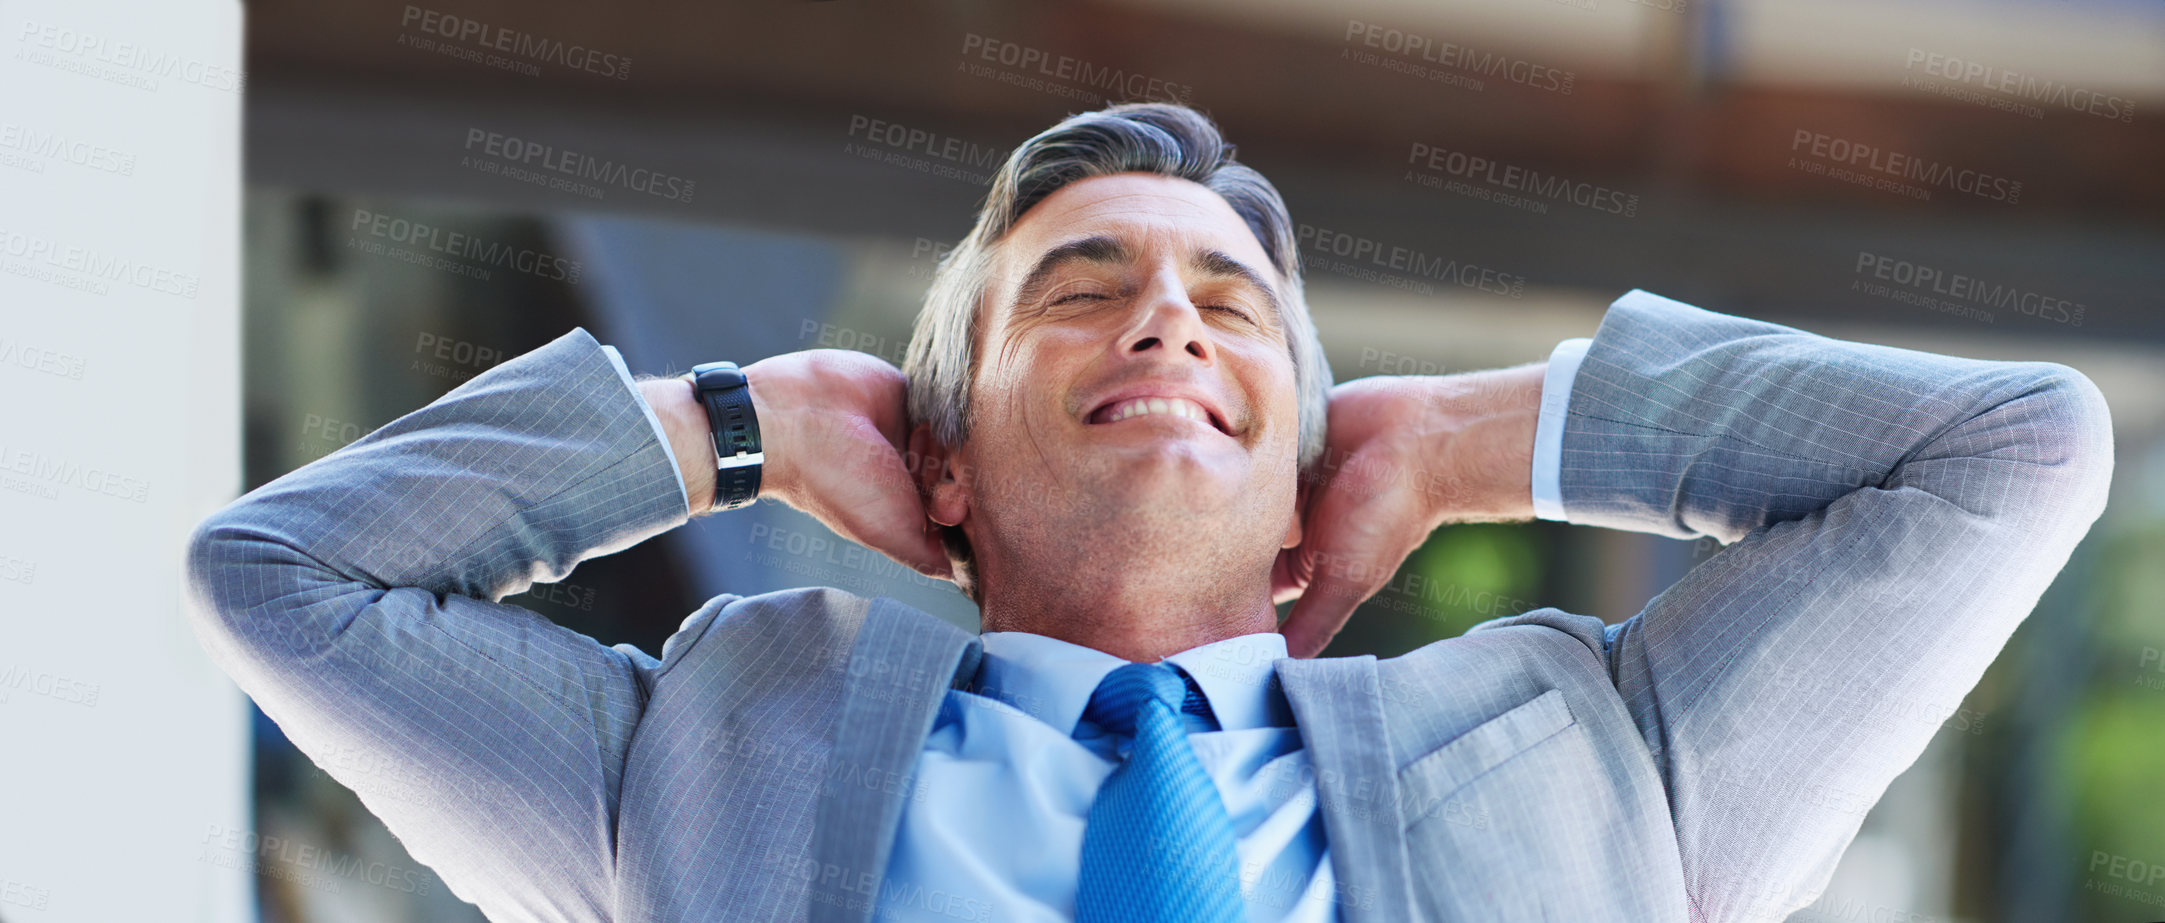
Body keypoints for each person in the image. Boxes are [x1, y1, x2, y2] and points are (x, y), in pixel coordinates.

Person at [185, 103, 2113, 923]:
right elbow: (278, 575)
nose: (1168, 316)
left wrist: (1474, 434)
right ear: (939, 457)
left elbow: (2012, 450)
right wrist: (733, 420)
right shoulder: (703, 743)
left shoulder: (1608, 750)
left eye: (1232, 305)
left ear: (1303, 464)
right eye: (1080, 286)